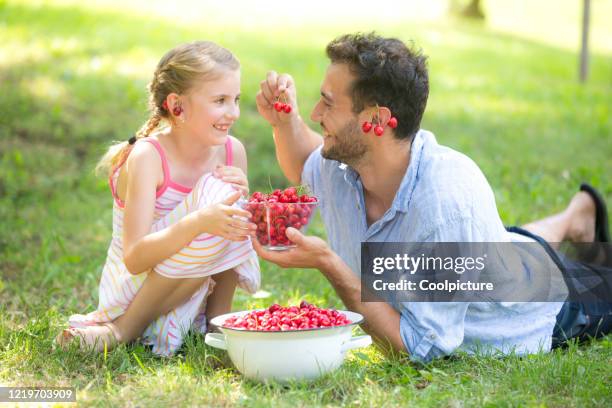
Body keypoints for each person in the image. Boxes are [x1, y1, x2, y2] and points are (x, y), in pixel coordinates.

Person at [253, 33, 611, 362]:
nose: (316, 114)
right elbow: (304, 163)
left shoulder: (444, 204)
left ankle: (575, 223)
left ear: (375, 119)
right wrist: (284, 122)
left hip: (549, 299)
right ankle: (577, 218)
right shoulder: (346, 163)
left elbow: (418, 347)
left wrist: (329, 263)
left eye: (328, 104)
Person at [56, 41, 260, 356]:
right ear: (177, 106)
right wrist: (200, 221)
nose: (232, 113)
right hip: (134, 294)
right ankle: (121, 331)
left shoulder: (233, 152)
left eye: (236, 99)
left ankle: (218, 325)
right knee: (218, 203)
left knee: (230, 209)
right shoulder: (149, 156)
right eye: (220, 100)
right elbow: (135, 257)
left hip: (188, 301)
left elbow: (229, 243)